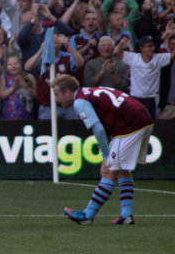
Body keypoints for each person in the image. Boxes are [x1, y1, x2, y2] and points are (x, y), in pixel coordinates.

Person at [52, 74, 154, 225]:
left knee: (109, 170)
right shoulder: (88, 92)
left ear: (67, 92)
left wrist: (105, 156)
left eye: (56, 94)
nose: (55, 99)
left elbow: (98, 129)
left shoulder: (79, 101)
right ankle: (126, 215)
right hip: (143, 118)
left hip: (129, 124)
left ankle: (88, 215)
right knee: (121, 169)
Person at [24, 28, 84, 120]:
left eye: (55, 42)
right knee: (46, 133)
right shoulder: (42, 59)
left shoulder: (66, 57)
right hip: (47, 107)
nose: (53, 45)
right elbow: (27, 67)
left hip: (67, 107)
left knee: (72, 131)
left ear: (60, 44)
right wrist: (41, 50)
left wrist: (68, 46)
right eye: (50, 42)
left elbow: (80, 63)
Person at [115, 35, 175, 119]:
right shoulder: (134, 58)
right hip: (135, 97)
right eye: (149, 46)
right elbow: (117, 52)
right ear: (142, 48)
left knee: (151, 124)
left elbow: (173, 54)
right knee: (136, 124)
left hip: (152, 99)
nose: (153, 48)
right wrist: (121, 43)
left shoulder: (158, 58)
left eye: (153, 45)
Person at [0, 54, 36, 119]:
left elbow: (36, 94)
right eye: (10, 65)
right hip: (8, 114)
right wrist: (13, 88)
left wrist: (25, 87)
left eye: (15, 63)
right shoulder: (4, 77)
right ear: (6, 67)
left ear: (20, 64)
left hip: (25, 114)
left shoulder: (29, 76)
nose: (13, 66)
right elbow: (1, 95)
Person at [159, 34, 175, 119]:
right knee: (160, 131)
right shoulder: (164, 61)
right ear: (168, 45)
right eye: (172, 44)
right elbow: (155, 50)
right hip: (168, 105)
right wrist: (165, 34)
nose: (174, 47)